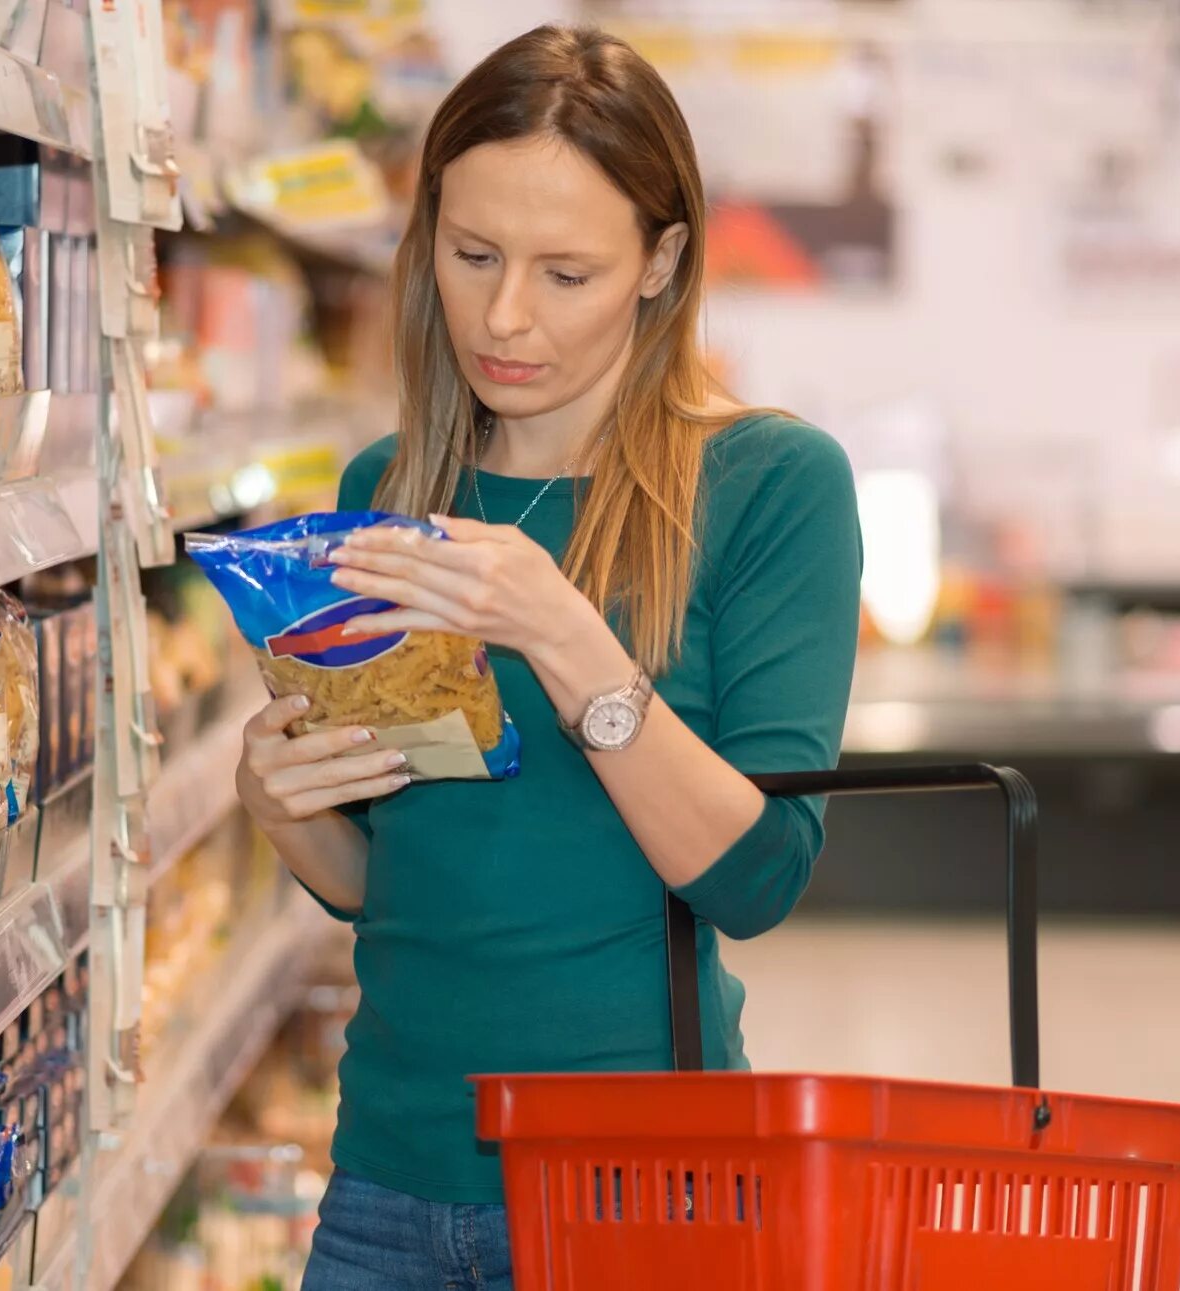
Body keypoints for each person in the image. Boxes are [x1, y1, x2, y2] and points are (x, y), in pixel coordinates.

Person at [234, 25, 863, 1291]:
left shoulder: (769, 485)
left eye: (565, 273)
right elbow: (399, 885)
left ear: (661, 261)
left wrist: (567, 635)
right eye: (472, 257)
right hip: (387, 1183)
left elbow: (758, 878)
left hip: (644, 1197)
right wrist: (286, 813)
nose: (505, 315)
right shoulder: (387, 489)